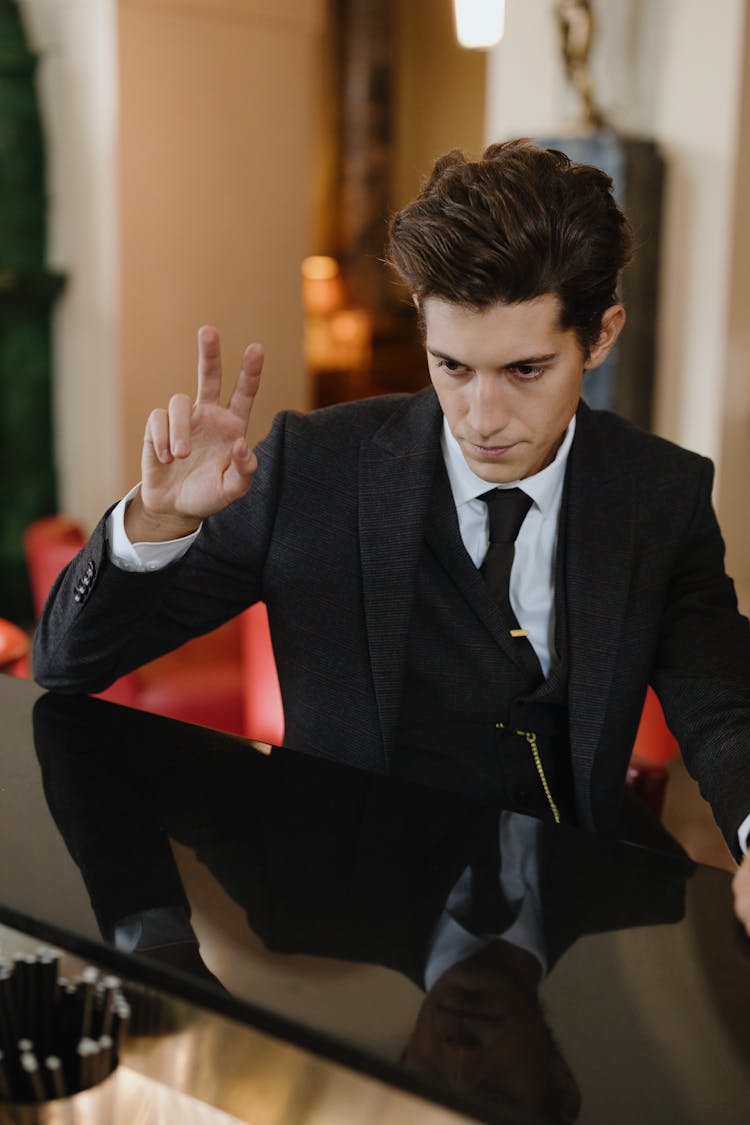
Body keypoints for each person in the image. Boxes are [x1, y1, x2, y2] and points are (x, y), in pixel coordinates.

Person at [32, 140, 750, 931]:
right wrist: (160, 523)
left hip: (573, 912)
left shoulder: (661, 492)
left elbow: (722, 705)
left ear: (601, 336)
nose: (481, 417)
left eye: (524, 371)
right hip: (353, 914)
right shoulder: (314, 466)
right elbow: (69, 663)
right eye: (452, 366)